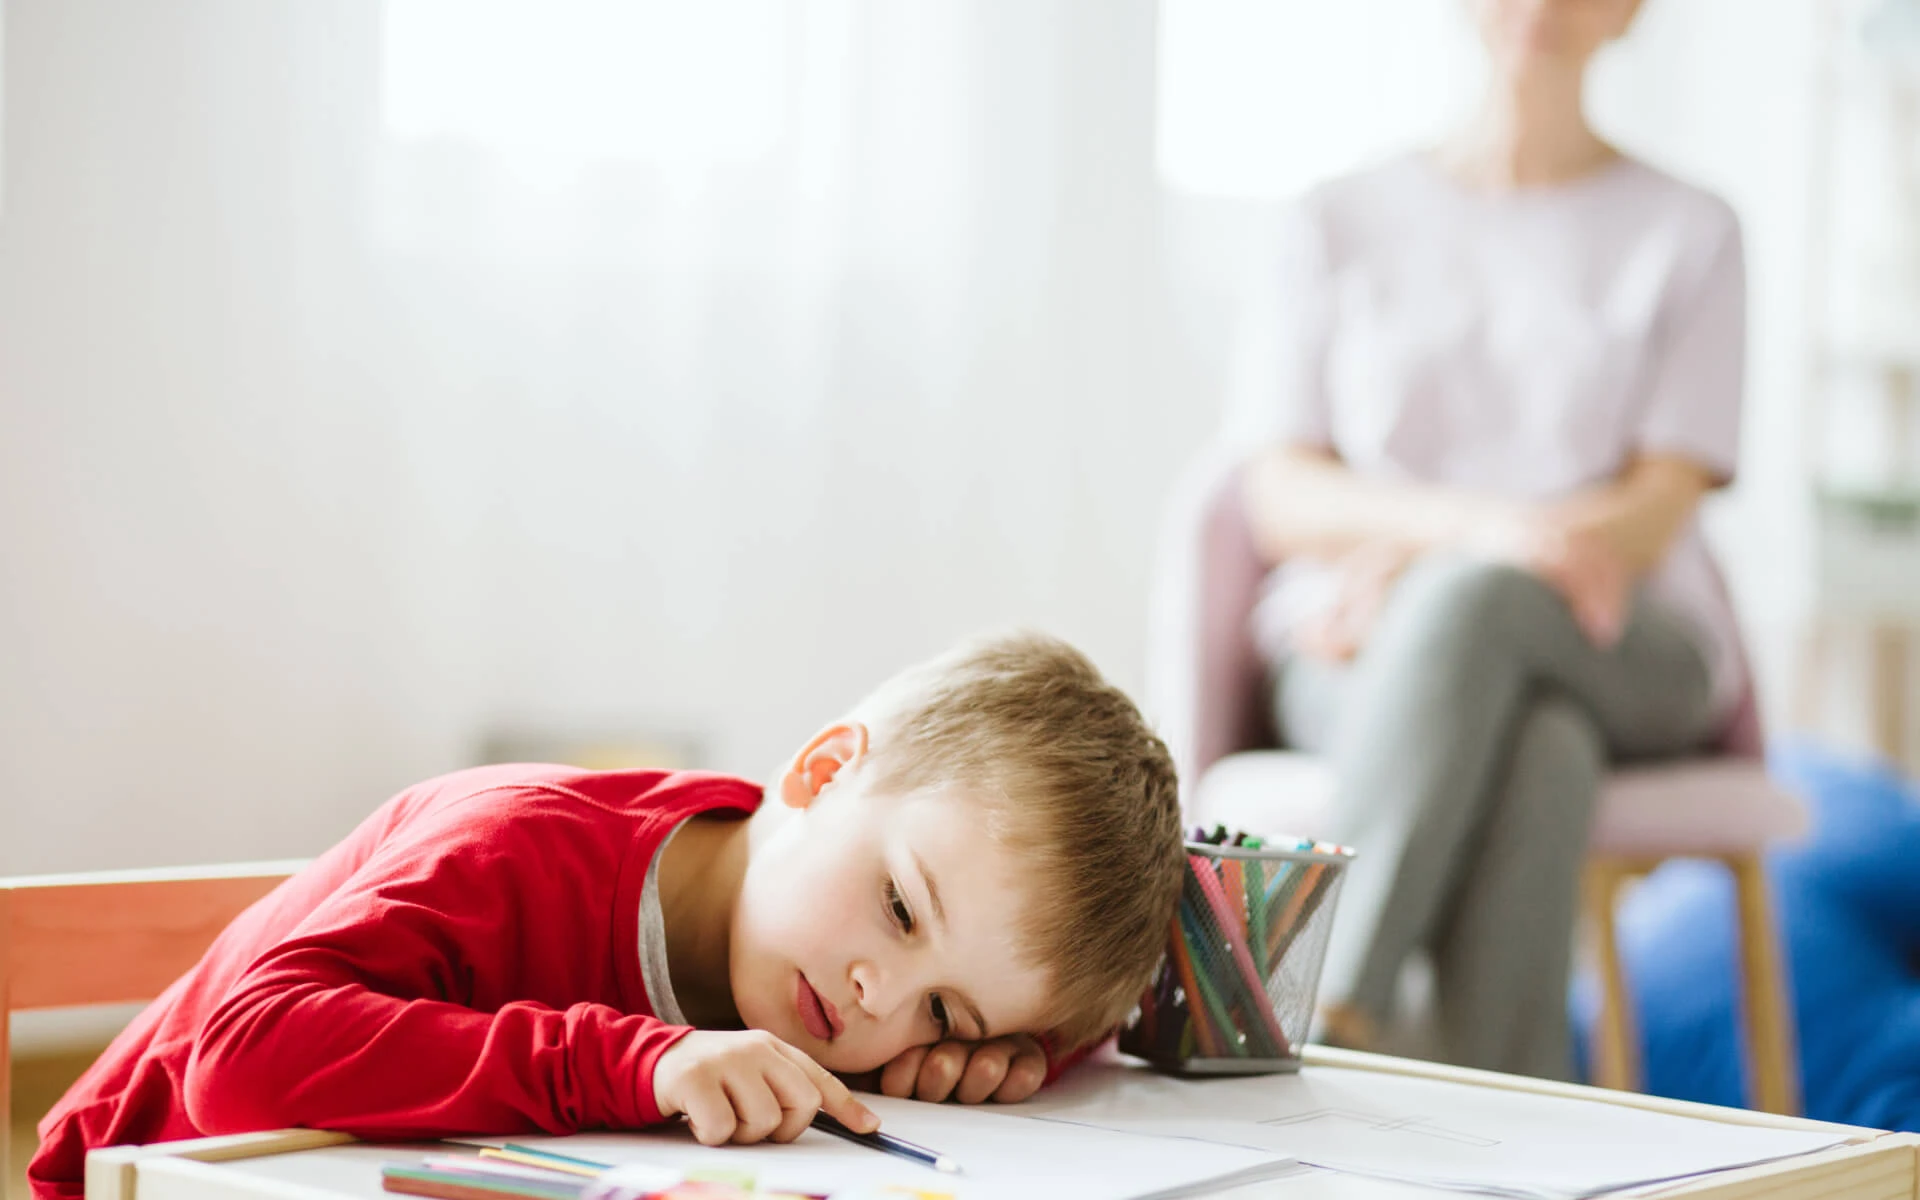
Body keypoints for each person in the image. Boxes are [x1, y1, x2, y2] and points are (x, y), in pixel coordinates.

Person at [30, 632, 1185, 1199]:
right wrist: (631, 1062)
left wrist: (1019, 1048)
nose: (882, 996)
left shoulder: (849, 982)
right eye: (898, 907)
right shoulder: (514, 843)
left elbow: (1028, 975)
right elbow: (238, 1059)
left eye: (942, 1009)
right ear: (824, 770)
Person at [1228, 0, 1746, 1079]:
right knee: (1540, 746)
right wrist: (1477, 533)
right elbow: (1281, 494)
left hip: (1620, 640)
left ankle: (1314, 1013)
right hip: (1353, 644)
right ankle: (1517, 1144)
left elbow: (1659, 505)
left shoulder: (1692, 229)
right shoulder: (1335, 215)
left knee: (1477, 610)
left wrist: (1467, 568)